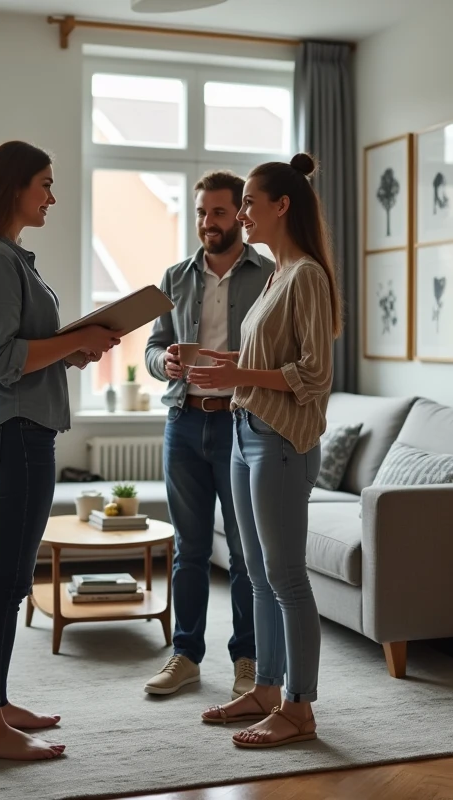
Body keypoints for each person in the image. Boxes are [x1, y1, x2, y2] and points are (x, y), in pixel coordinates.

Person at [0, 140, 122, 761]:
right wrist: (78, 341)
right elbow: (1, 361)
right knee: (4, 581)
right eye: (44, 183)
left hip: (12, 428)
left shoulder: (5, 256)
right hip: (14, 432)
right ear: (12, 186)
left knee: (0, 579)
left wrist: (74, 349)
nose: (52, 195)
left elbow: (17, 349)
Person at [186, 153, 341, 749]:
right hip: (245, 433)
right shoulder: (277, 273)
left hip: (280, 441)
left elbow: (312, 374)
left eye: (250, 202)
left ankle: (300, 707)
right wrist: (219, 364)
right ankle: (267, 689)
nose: (243, 212)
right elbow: (261, 363)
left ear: (283, 205)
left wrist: (238, 379)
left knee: (285, 578)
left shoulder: (306, 276)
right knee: (254, 574)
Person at [142, 171, 274, 700]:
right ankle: (186, 655)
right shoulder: (174, 277)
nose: (207, 223)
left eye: (218, 213)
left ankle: (248, 659)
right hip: (183, 422)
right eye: (200, 213)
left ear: (240, 215)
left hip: (240, 423)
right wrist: (165, 362)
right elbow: (152, 349)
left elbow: (279, 355)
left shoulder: (269, 275)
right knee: (189, 550)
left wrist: (243, 366)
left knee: (245, 552)